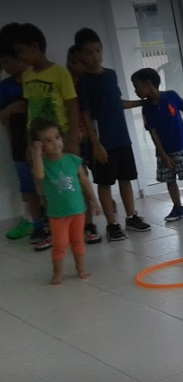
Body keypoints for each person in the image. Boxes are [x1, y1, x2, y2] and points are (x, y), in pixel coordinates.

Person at [10, 22, 83, 251]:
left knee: (74, 182)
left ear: (34, 46)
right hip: (39, 143)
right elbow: (30, 111)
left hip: (61, 140)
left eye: (21, 51)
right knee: (47, 188)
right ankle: (54, 229)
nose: (20, 57)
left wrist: (72, 139)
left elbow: (72, 106)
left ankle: (85, 225)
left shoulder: (60, 73)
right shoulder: (27, 76)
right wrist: (29, 145)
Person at [73, 27, 149, 240]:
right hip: (102, 142)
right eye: (89, 52)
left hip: (121, 138)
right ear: (80, 55)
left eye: (98, 50)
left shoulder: (110, 75)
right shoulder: (84, 82)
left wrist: (141, 103)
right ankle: (112, 224)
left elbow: (117, 102)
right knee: (105, 183)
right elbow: (86, 114)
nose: (95, 56)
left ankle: (131, 217)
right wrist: (95, 144)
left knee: (126, 178)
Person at [30, 118, 100, 285]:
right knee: (60, 244)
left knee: (78, 241)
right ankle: (57, 273)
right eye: (48, 141)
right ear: (40, 145)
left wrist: (94, 201)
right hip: (58, 214)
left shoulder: (73, 160)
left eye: (57, 137)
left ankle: (81, 269)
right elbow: (38, 176)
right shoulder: (43, 164)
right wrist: (36, 153)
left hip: (78, 210)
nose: (55, 143)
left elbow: (85, 182)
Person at [131, 68, 183, 222]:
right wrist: (163, 155)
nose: (135, 91)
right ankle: (178, 207)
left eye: (137, 86)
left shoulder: (171, 96)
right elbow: (153, 132)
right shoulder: (147, 108)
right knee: (169, 180)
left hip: (182, 146)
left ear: (148, 83)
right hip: (164, 152)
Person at [0, 22, 43, 243]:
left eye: (7, 61)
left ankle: (54, 221)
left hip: (42, 143)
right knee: (27, 186)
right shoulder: (5, 87)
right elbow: (3, 119)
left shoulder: (36, 80)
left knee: (47, 184)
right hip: (18, 145)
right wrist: (9, 110)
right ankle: (36, 225)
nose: (5, 66)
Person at [66, 45, 101, 244]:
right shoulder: (67, 84)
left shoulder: (88, 83)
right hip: (74, 140)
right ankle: (87, 223)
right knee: (80, 180)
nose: (73, 66)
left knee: (98, 177)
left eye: (77, 62)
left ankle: (100, 208)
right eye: (70, 62)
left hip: (92, 138)